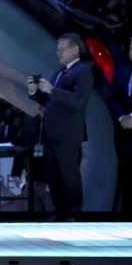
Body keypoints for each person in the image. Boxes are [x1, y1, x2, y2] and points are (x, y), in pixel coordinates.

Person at [27, 34, 94, 220]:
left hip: (68, 133)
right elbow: (49, 100)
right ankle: (60, 211)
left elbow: (78, 101)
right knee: (53, 175)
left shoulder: (83, 72)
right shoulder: (58, 73)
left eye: (62, 49)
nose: (59, 53)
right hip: (51, 132)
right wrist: (35, 92)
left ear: (74, 50)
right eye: (57, 50)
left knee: (69, 174)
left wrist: (53, 90)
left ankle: (75, 212)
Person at [106, 36, 132, 218]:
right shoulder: (123, 72)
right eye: (131, 45)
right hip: (124, 140)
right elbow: (113, 99)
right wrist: (121, 116)